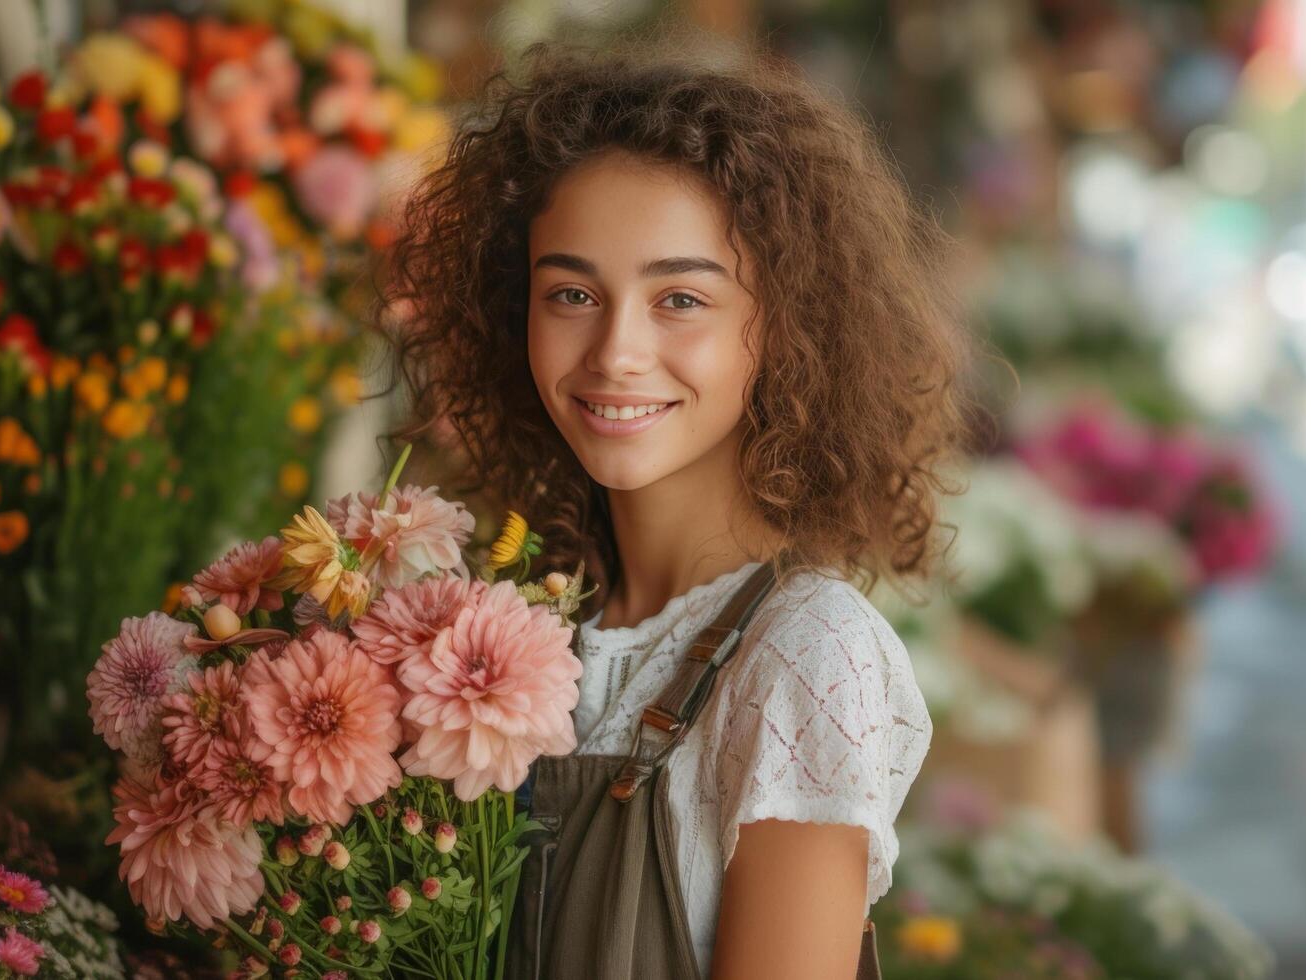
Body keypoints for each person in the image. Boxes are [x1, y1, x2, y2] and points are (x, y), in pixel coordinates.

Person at [375, 26, 974, 980]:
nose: (614, 351)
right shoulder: (522, 621)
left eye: (679, 300)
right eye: (571, 293)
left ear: (780, 326)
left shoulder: (805, 655)